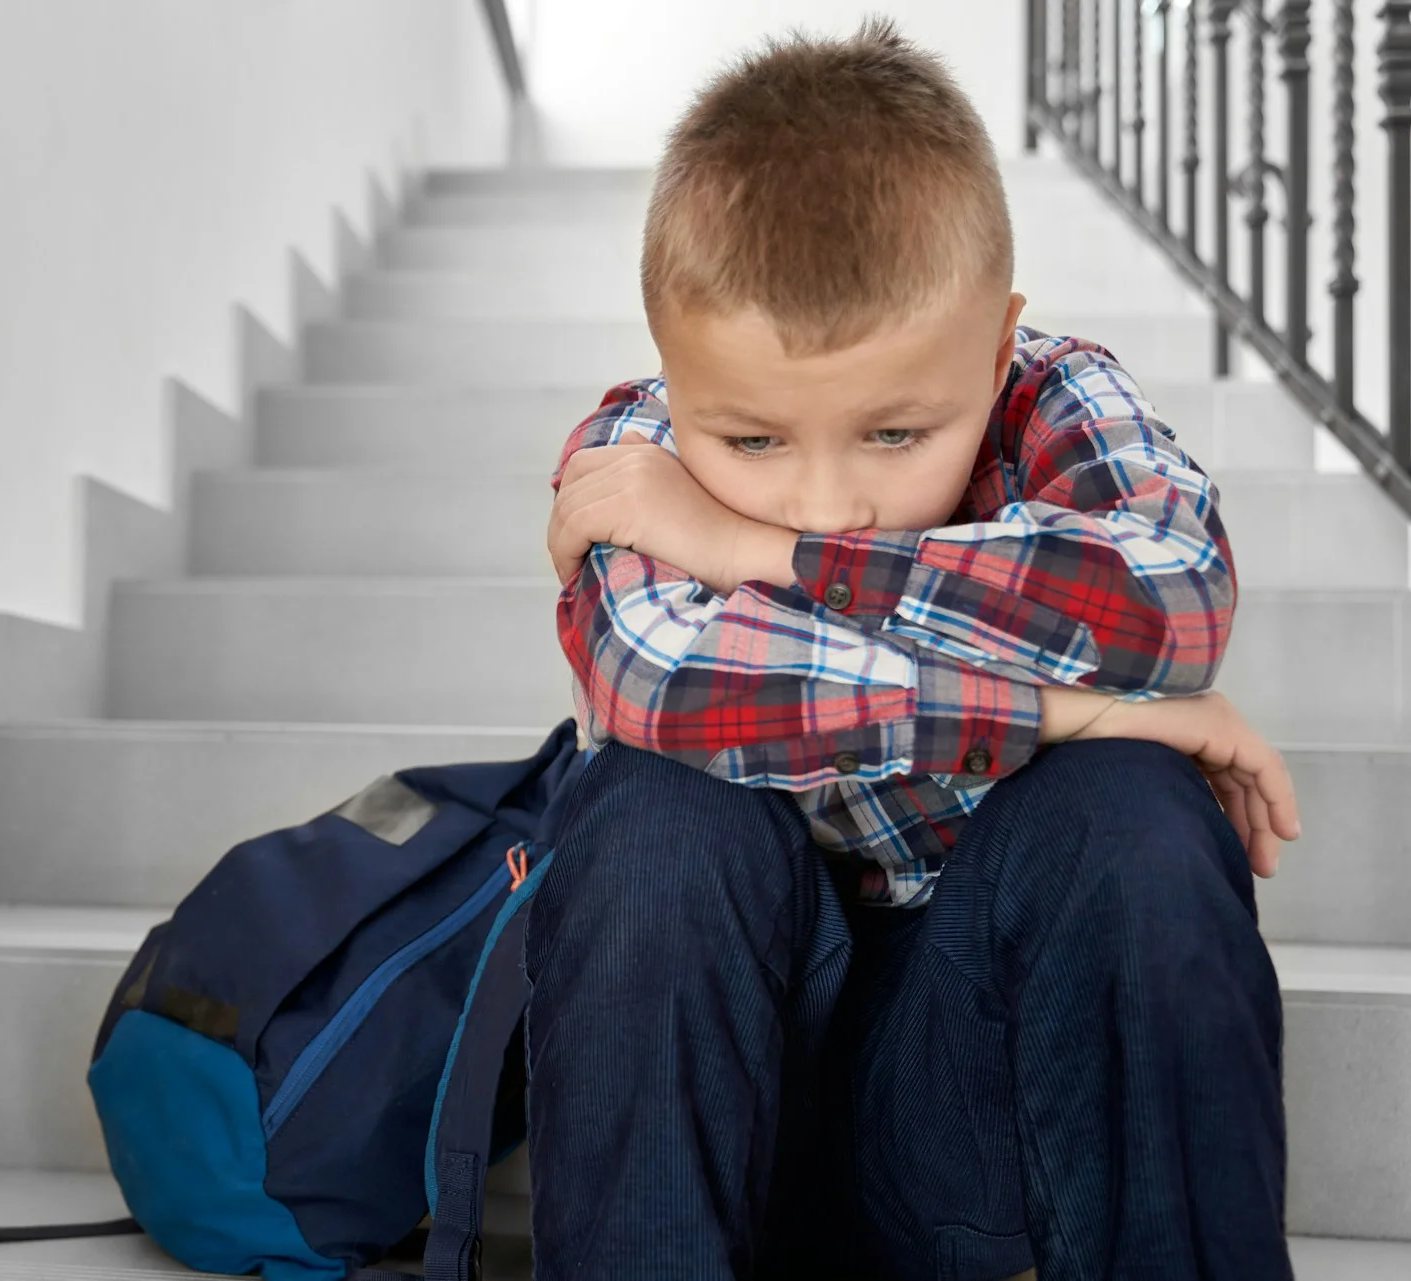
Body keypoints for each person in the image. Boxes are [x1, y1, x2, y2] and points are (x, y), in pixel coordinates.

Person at [529, 17, 1303, 1281]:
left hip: (969, 1097)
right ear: (673, 369)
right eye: (754, 445)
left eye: (895, 436)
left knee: (1139, 813)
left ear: (996, 347)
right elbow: (654, 676)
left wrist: (759, 554)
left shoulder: (1054, 397)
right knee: (653, 807)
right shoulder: (635, 448)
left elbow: (1170, 599)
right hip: (703, 1122)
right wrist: (1077, 711)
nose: (832, 502)